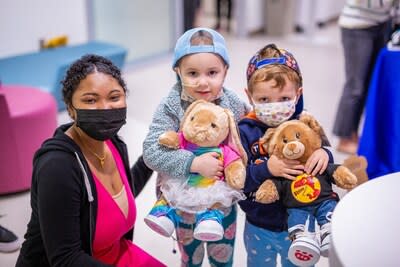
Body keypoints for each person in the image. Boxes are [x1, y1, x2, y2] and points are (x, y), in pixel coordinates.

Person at [16, 54, 165, 267]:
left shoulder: (113, 143)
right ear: (70, 108)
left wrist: (152, 158)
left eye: (114, 97)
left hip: (113, 254)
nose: (105, 108)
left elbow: (119, 197)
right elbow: (65, 259)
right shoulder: (57, 167)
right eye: (90, 100)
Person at [142, 27, 250, 267]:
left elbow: (255, 129)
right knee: (190, 257)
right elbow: (151, 152)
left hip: (221, 201)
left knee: (222, 254)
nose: (203, 82)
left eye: (212, 72)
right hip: (182, 201)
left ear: (225, 72)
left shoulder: (232, 102)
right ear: (178, 72)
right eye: (192, 73)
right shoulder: (170, 105)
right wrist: (193, 163)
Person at [238, 44, 333, 267]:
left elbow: (325, 155)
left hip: (302, 228)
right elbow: (237, 180)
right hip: (258, 224)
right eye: (264, 100)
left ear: (297, 94)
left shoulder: (306, 123)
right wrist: (266, 169)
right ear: (249, 95)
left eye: (283, 98)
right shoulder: (245, 130)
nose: (275, 107)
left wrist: (324, 154)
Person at [333, 0, 397, 154]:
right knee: (355, 86)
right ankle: (345, 136)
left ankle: (354, 134)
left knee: (370, 84)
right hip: (357, 26)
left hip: (381, 24)